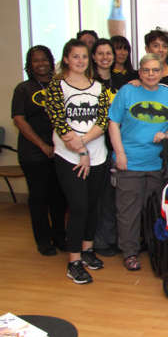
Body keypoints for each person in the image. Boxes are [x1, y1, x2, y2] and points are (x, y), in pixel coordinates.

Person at [45, 38, 110, 284]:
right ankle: (73, 262)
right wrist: (81, 150)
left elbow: (102, 122)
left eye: (84, 57)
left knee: (92, 205)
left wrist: (86, 147)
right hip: (69, 155)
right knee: (79, 206)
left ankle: (86, 251)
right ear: (66, 59)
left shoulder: (98, 88)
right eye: (75, 57)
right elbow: (60, 124)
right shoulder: (56, 87)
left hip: (97, 156)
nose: (80, 61)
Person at [109, 53, 168, 271]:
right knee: (128, 211)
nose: (151, 74)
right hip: (129, 162)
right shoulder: (127, 91)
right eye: (146, 70)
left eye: (155, 70)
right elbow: (113, 124)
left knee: (157, 210)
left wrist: (167, 135)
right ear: (139, 72)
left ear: (161, 72)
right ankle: (129, 252)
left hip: (157, 164)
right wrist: (119, 154)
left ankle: (154, 247)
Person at [11, 45, 68, 256]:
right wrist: (43, 145)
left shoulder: (61, 85)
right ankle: (43, 240)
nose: (41, 63)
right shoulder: (23, 89)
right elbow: (19, 120)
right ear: (30, 65)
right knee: (39, 197)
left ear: (51, 62)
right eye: (35, 60)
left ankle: (59, 236)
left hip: (61, 150)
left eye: (44, 59)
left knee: (59, 196)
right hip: (33, 153)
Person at [89, 38, 124, 258]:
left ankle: (112, 238)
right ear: (93, 56)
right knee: (99, 196)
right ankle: (99, 240)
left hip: (118, 144)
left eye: (108, 53)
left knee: (114, 197)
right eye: (100, 53)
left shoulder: (123, 80)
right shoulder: (88, 83)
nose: (105, 58)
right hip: (95, 145)